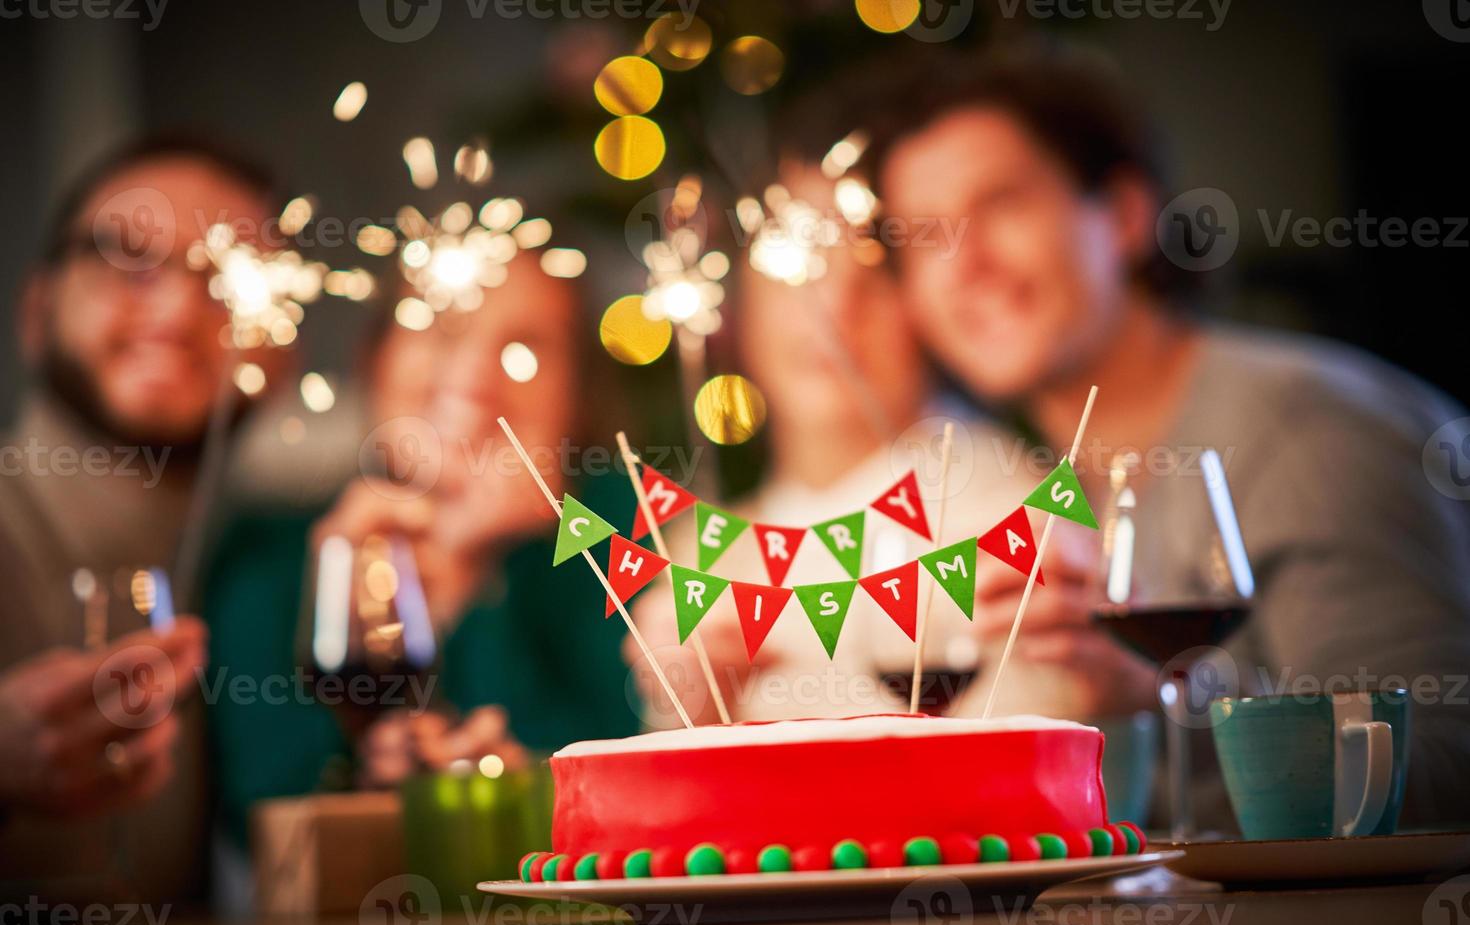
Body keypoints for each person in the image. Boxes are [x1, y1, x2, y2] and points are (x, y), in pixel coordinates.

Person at [869, 43, 1470, 828]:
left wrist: (1158, 699)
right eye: (920, 237)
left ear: (1121, 215)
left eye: (1002, 206)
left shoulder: (1312, 430)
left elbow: (1436, 768)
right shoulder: (1043, 481)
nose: (963, 266)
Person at [203, 250, 642, 869]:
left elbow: (626, 778)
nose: (472, 375)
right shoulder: (270, 562)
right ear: (373, 358)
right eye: (439, 327)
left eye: (526, 346)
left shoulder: (619, 545)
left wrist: (473, 571)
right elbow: (268, 811)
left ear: (575, 397)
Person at [627, 150, 1069, 727]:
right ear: (739, 311)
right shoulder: (697, 551)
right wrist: (696, 721)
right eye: (795, 267)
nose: (834, 310)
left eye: (872, 275)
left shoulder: (1013, 515)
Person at [0, 136, 279, 904]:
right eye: (128, 257)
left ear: (281, 352)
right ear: (36, 306)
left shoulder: (273, 562)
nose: (178, 308)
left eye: (229, 278)